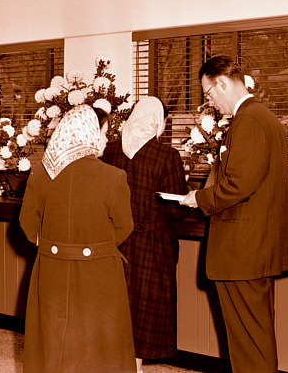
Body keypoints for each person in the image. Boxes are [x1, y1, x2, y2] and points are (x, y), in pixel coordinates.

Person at [180, 55, 288, 373]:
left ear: (221, 83)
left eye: (208, 93)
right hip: (257, 246)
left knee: (247, 342)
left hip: (243, 250)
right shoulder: (265, 117)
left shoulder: (248, 120)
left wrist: (198, 198)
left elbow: (239, 184)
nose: (210, 102)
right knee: (255, 337)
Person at [19, 104, 137, 373]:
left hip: (51, 269)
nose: (106, 140)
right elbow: (124, 227)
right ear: (89, 134)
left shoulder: (40, 173)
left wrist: (52, 244)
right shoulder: (114, 176)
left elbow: (27, 225)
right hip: (99, 270)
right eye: (104, 133)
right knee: (100, 344)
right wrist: (97, 244)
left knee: (53, 340)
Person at [101, 96, 189, 373]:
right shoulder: (167, 156)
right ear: (158, 122)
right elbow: (175, 210)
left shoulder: (110, 150)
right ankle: (135, 366)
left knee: (116, 305)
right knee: (144, 311)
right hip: (152, 244)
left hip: (115, 240)